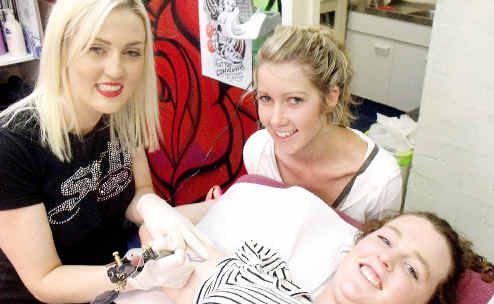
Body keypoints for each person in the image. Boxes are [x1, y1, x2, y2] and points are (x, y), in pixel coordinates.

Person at [0, 1, 210, 303]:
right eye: (96, 48)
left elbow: (138, 192)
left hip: (111, 286)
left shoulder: (120, 113)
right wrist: (133, 273)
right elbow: (44, 280)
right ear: (63, 49)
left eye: (132, 52)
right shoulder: (12, 146)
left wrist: (151, 204)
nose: (116, 70)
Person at [129, 179, 493, 304]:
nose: (387, 259)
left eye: (412, 269)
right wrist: (151, 206)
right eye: (385, 240)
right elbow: (161, 246)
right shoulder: (262, 274)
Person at [243, 25, 402, 221]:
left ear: (330, 98)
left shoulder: (379, 182)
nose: (275, 120)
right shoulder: (258, 152)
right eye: (266, 98)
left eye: (295, 100)